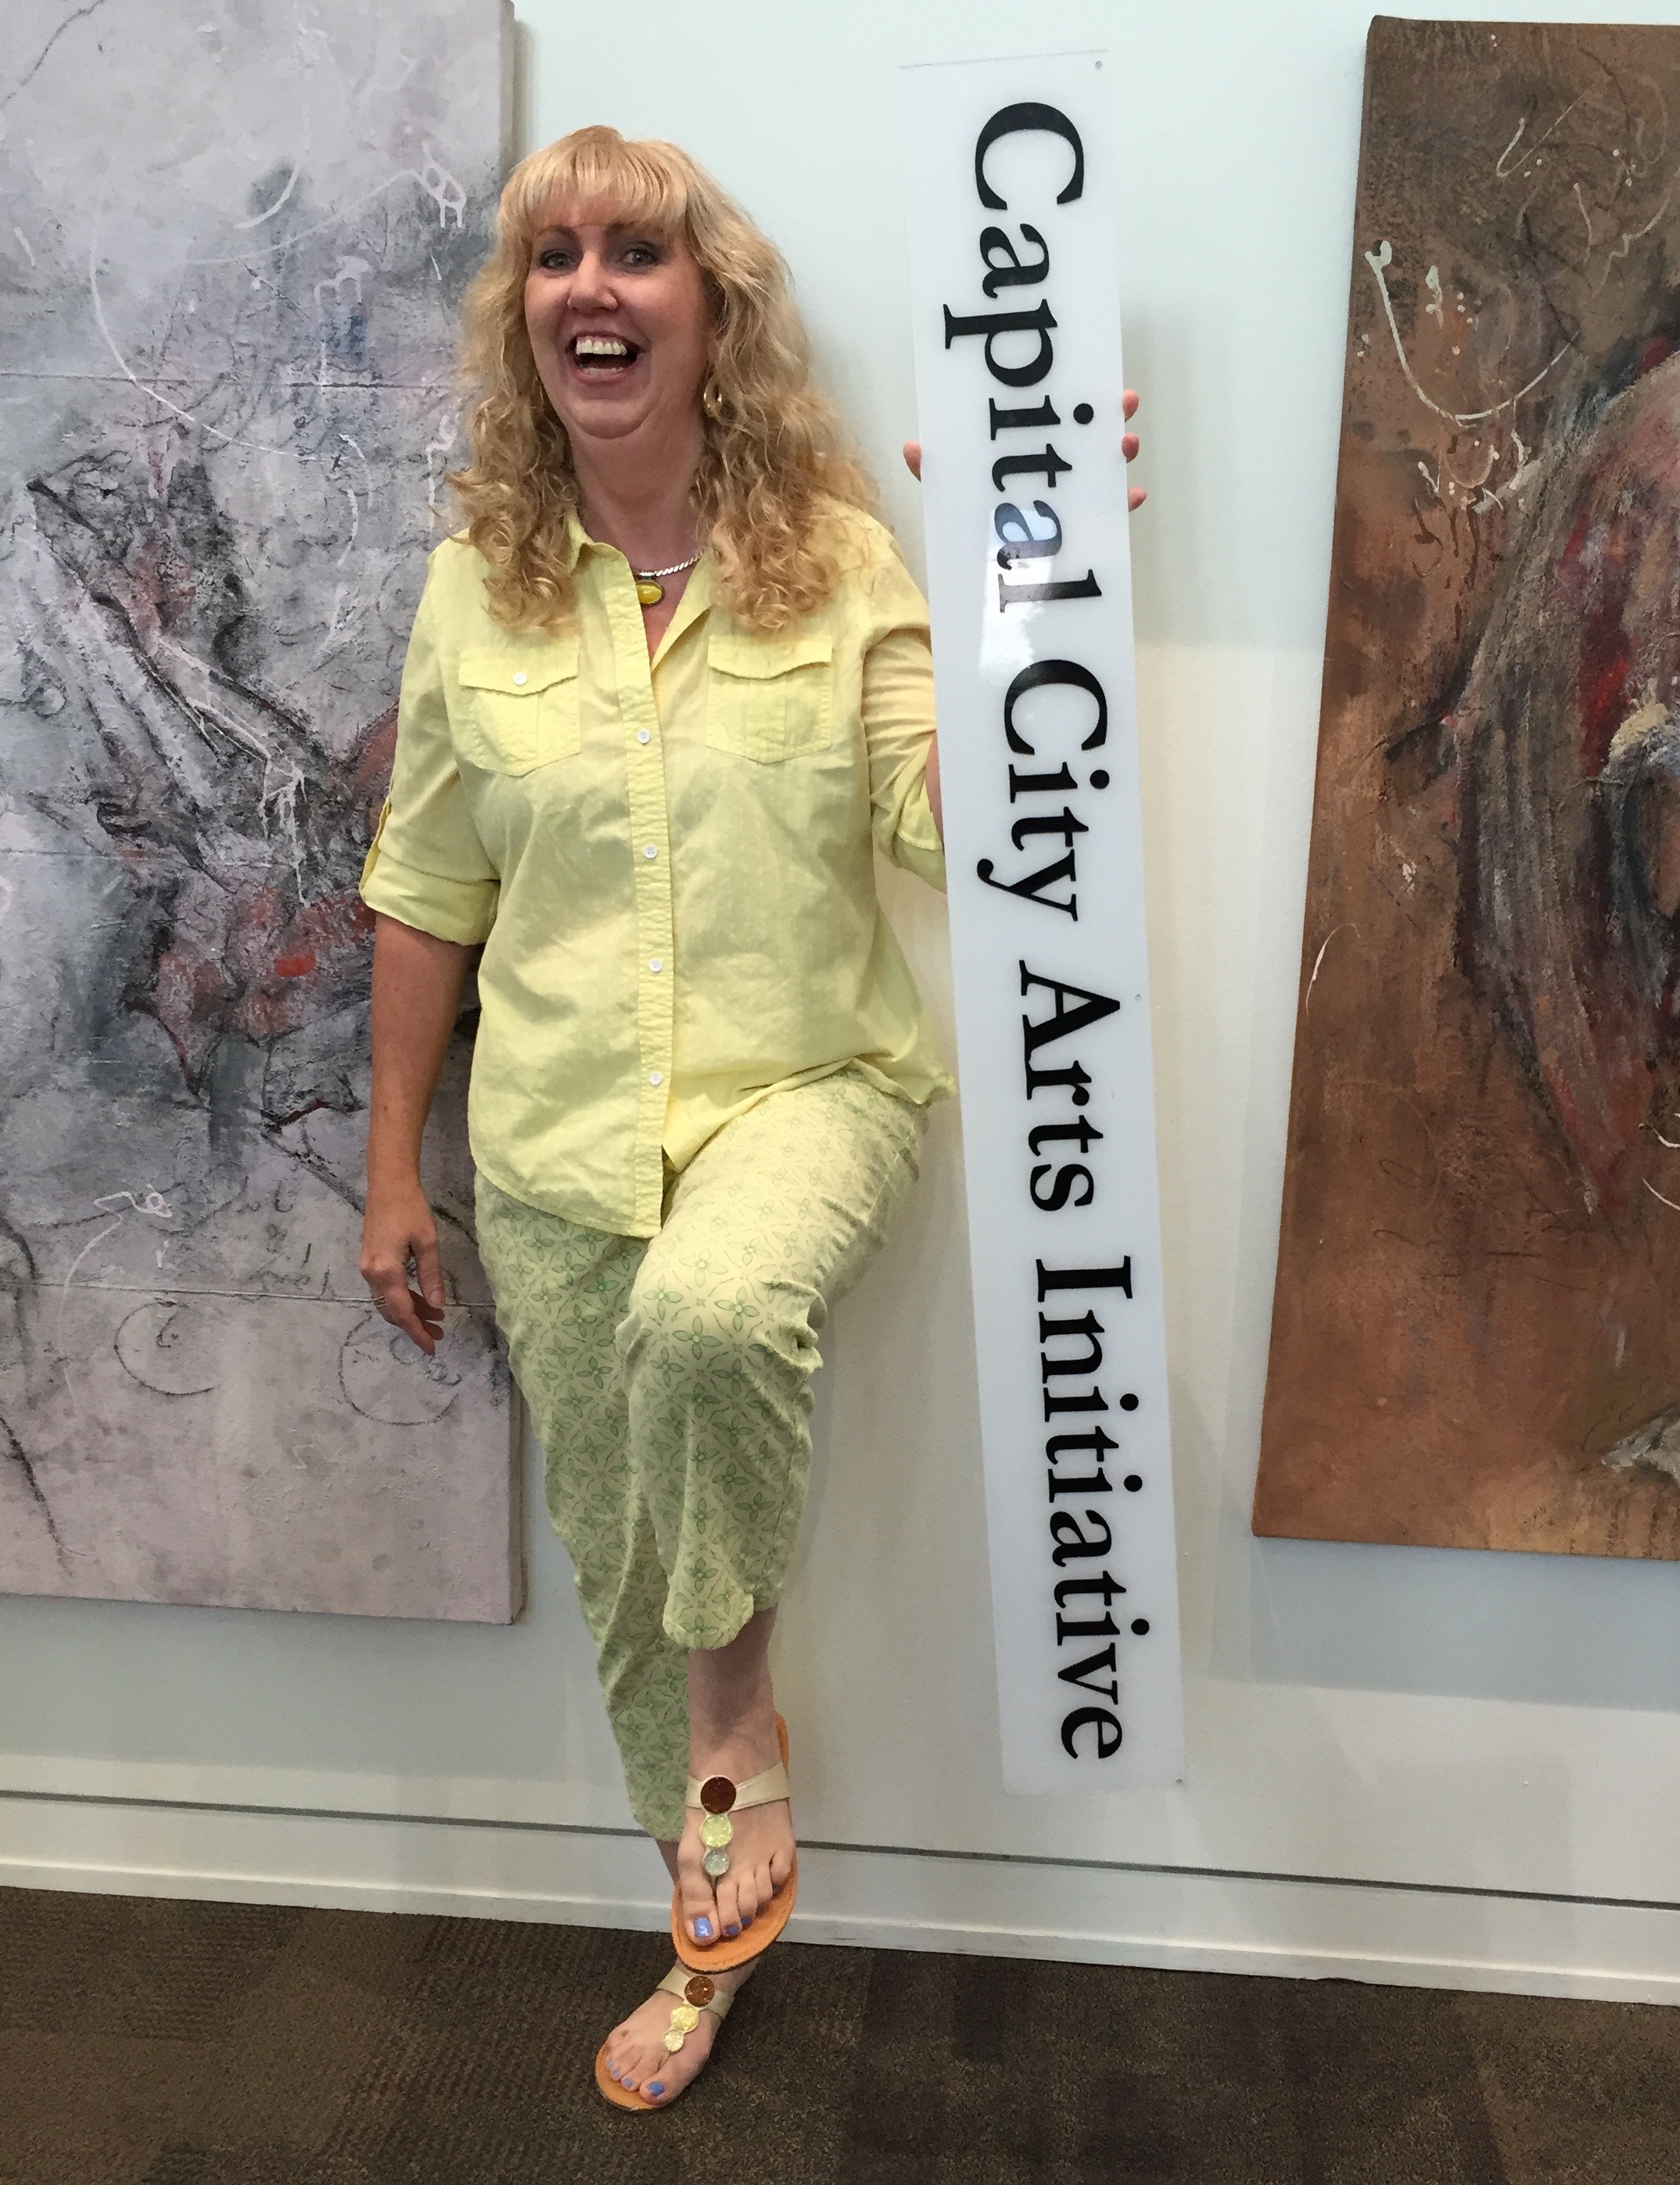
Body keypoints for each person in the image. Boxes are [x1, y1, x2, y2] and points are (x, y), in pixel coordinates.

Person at [357, 124, 1141, 2111]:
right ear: (523, 316)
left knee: (714, 1317)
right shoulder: (473, 592)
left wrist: (1043, 585)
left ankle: (740, 1731)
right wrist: (389, 1171)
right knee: (626, 1576)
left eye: (637, 253)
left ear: (713, 310)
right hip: (553, 1144)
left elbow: (961, 831)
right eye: (555, 257)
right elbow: (428, 890)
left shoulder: (841, 561)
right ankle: (699, 1935)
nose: (591, 287)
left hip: (811, 1087)